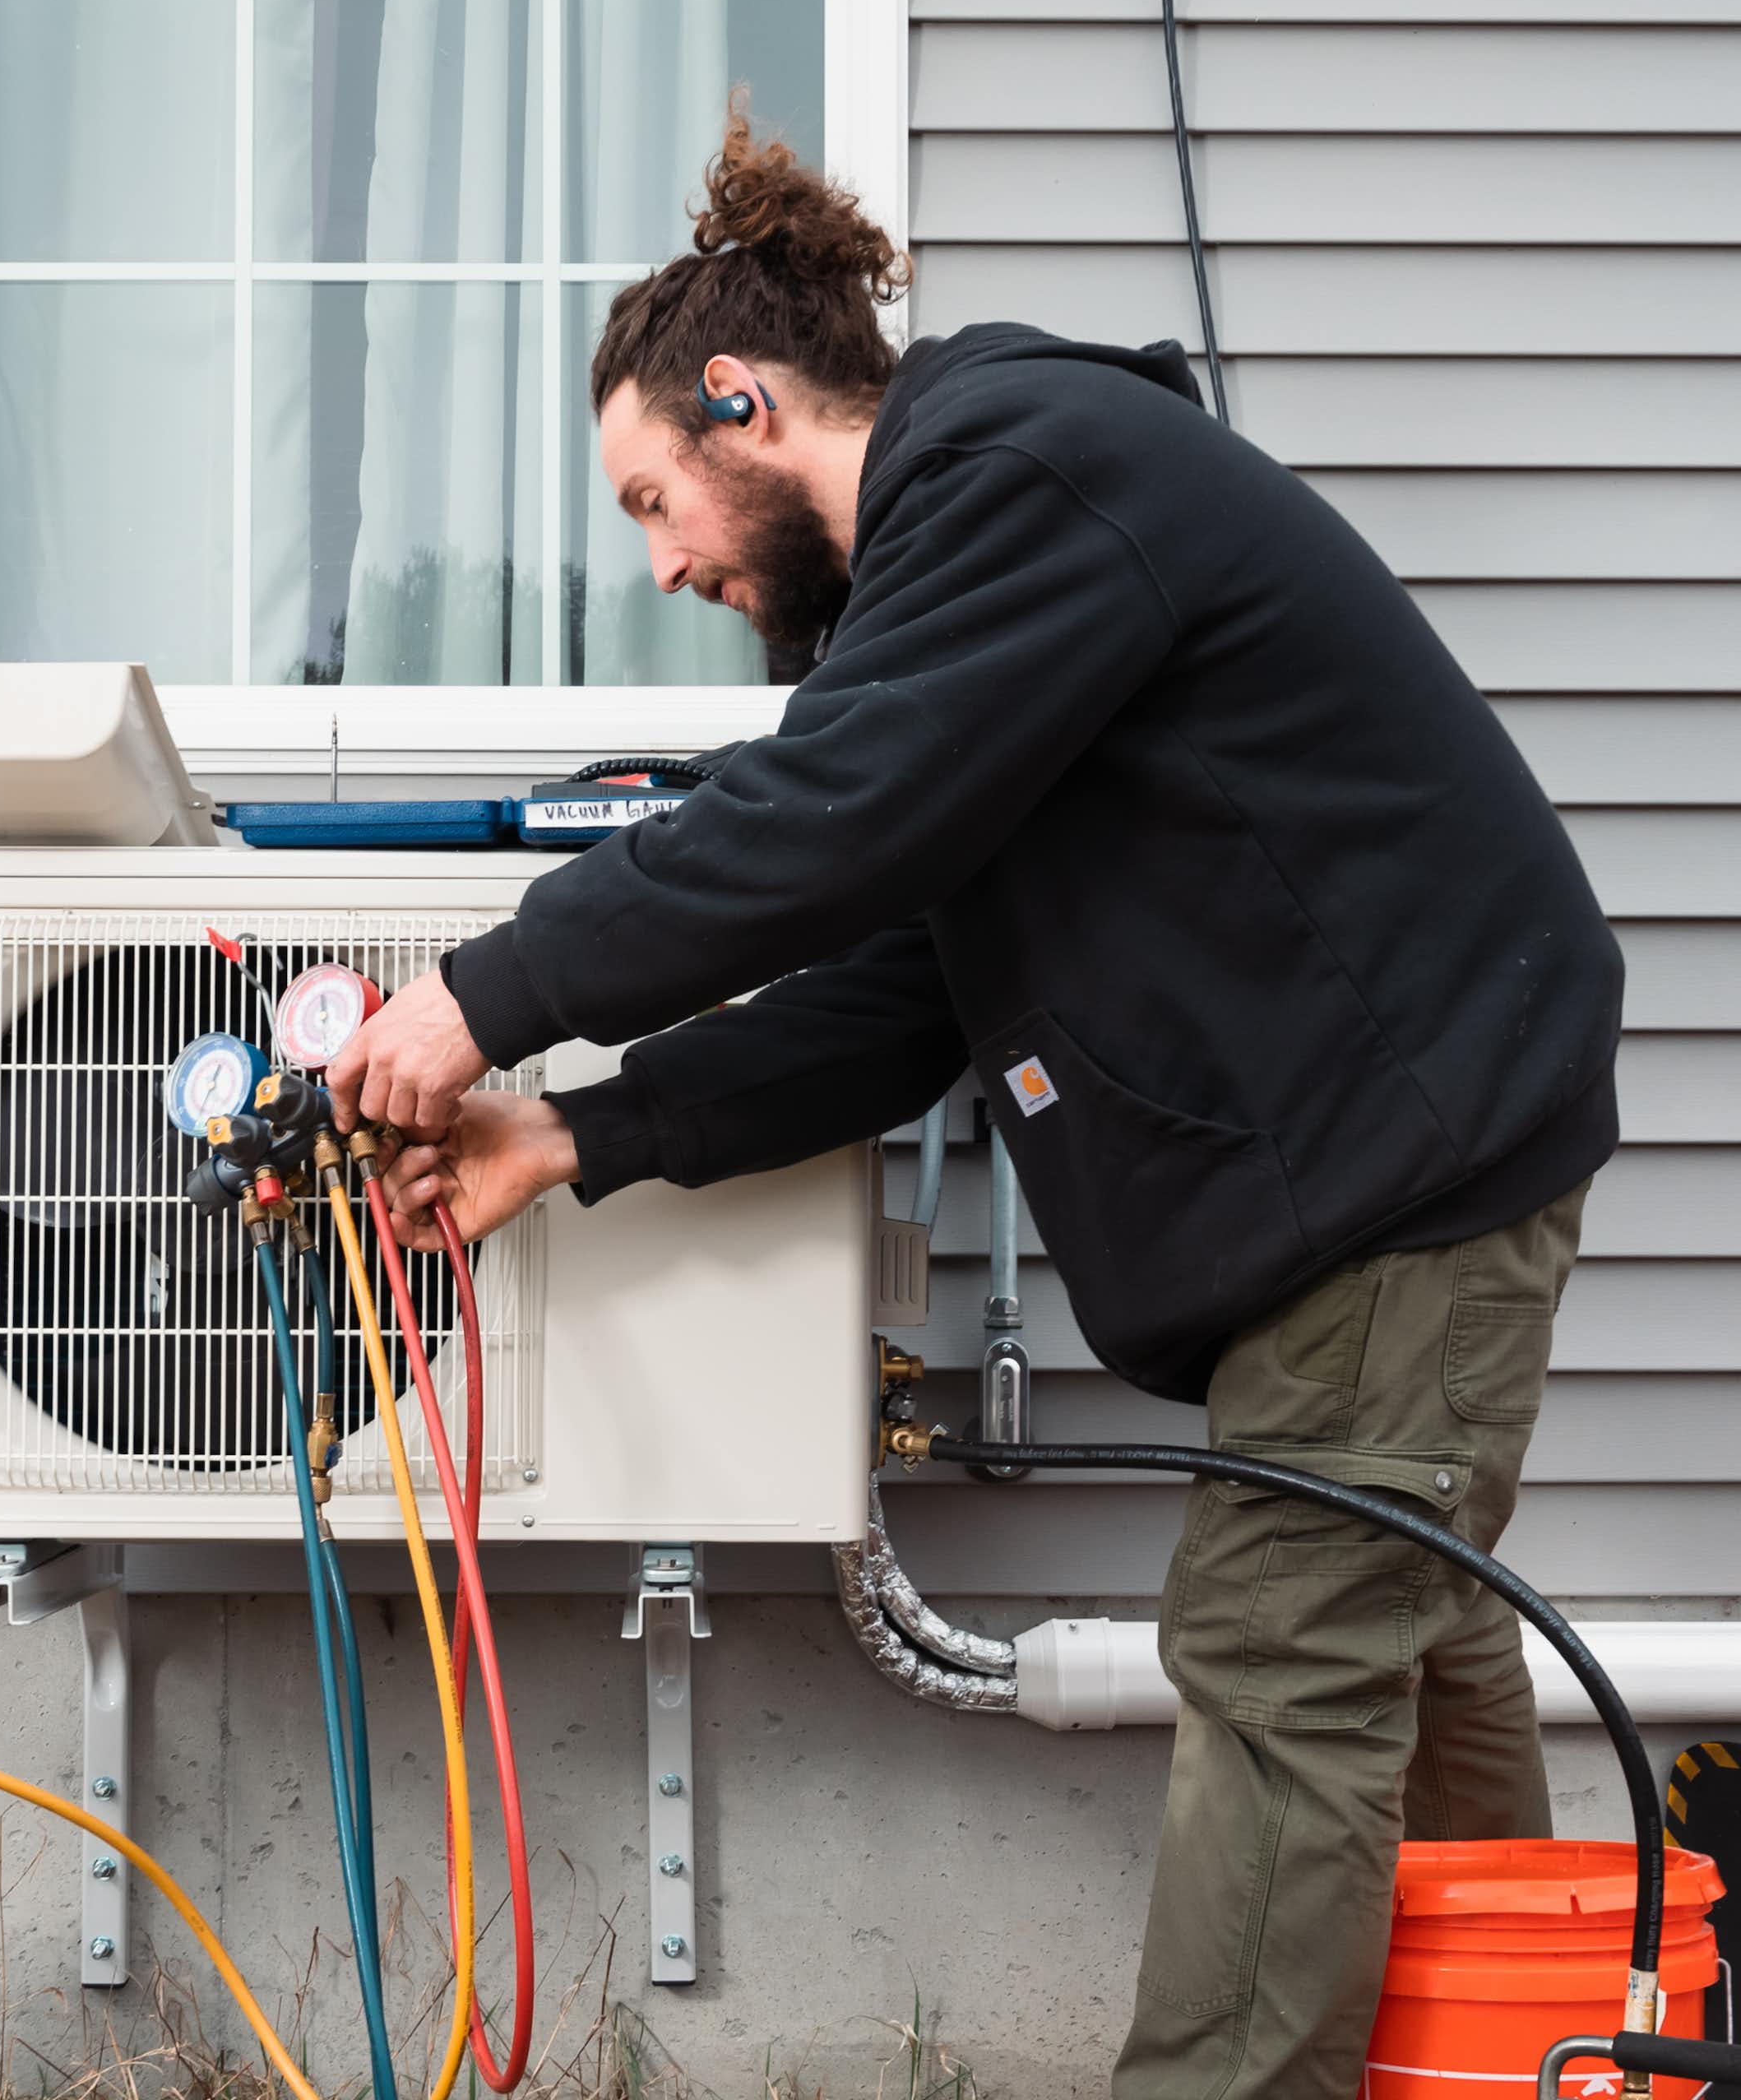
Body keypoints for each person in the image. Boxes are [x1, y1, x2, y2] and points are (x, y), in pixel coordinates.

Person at [325, 107, 1623, 2098]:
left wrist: (481, 999)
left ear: (742, 401)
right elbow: (897, 984)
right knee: (1400, 1665)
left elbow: (824, 819)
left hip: (1406, 1164)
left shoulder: (1019, 472)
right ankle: (1538, 2064)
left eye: (652, 496)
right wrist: (575, 1126)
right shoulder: (967, 577)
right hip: (1384, 1171)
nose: (661, 561)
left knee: (1280, 1656)